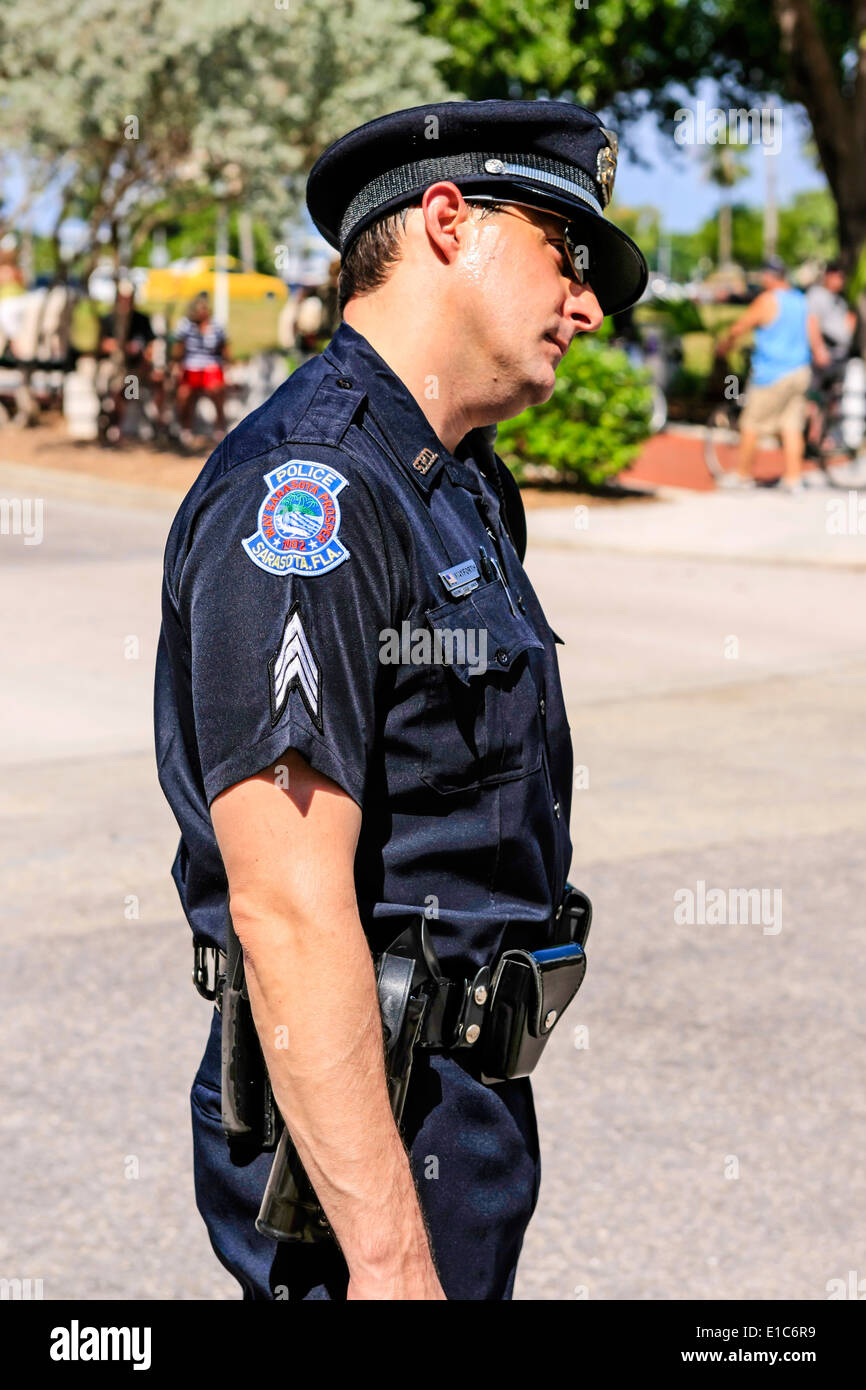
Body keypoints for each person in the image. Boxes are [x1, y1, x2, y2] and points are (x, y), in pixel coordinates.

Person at [154, 99, 648, 1301]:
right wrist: (386, 1264)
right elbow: (284, 905)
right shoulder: (309, 493)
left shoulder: (458, 484)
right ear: (446, 222)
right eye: (565, 253)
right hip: (356, 1138)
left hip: (460, 1110)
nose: (587, 305)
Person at [715, 257, 823, 493]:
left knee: (751, 423)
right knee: (791, 427)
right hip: (799, 372)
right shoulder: (801, 300)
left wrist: (725, 346)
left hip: (773, 373)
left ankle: (742, 476)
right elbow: (814, 336)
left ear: (770, 276)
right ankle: (793, 480)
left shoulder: (768, 300)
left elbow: (740, 326)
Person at [97, 281, 161, 444]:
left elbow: (151, 345)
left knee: (128, 389)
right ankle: (110, 422)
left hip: (135, 367)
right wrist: (119, 346)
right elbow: (101, 345)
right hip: (114, 365)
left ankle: (121, 426)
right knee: (112, 388)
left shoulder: (141, 319)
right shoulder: (109, 319)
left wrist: (146, 358)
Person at [172, 292, 230, 446]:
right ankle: (185, 429)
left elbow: (224, 350)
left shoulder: (217, 326)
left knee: (217, 390)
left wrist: (228, 366)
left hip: (211, 366)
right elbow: (179, 349)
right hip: (191, 366)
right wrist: (176, 366)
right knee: (185, 394)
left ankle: (220, 429)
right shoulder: (185, 326)